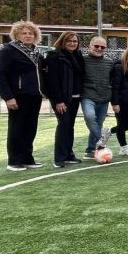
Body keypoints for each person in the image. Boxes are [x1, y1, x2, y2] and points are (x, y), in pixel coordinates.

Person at [0, 20, 45, 171]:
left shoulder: (36, 52)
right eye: (24, 33)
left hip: (34, 95)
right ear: (16, 35)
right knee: (17, 128)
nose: (28, 36)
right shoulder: (8, 51)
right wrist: (8, 97)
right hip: (18, 96)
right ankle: (14, 161)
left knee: (30, 128)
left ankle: (27, 158)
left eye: (31, 33)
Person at [46, 31, 85, 167]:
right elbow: (53, 80)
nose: (72, 43)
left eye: (75, 41)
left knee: (70, 126)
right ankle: (59, 158)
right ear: (63, 41)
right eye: (69, 41)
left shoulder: (78, 55)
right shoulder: (55, 56)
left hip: (75, 97)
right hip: (62, 99)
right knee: (64, 124)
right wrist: (59, 100)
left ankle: (69, 154)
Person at [101, 47, 128, 156]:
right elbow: (115, 87)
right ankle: (123, 147)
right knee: (122, 124)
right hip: (120, 101)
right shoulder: (119, 67)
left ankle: (109, 131)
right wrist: (115, 103)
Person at [81, 36, 114, 159]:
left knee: (99, 123)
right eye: (96, 46)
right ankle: (102, 138)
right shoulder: (82, 60)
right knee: (90, 117)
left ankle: (90, 150)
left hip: (104, 97)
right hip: (88, 96)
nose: (99, 49)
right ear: (90, 46)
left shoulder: (109, 62)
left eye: (102, 47)